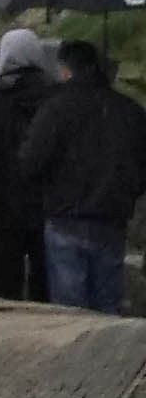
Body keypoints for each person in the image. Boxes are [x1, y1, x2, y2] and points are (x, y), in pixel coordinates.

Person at [17, 39, 146, 313]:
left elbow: (30, 162)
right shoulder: (130, 110)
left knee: (70, 312)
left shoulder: (56, 108)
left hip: (65, 218)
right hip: (112, 220)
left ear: (66, 70)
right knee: (109, 307)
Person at [0, 27, 60, 299]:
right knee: (46, 285)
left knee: (4, 286)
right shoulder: (56, 97)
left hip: (4, 207)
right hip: (50, 204)